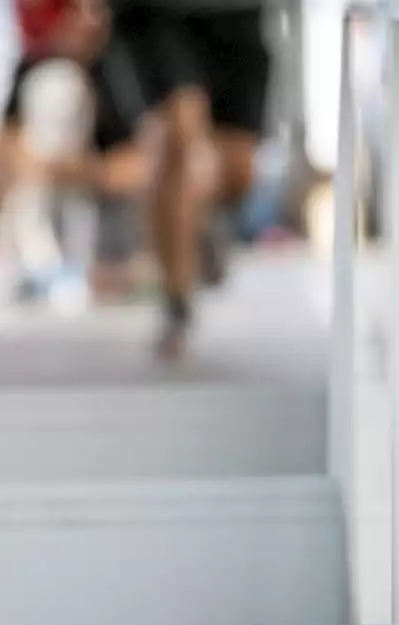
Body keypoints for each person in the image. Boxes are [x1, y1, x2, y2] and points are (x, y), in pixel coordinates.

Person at [112, 1, 273, 360]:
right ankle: (176, 297)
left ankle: (196, 224)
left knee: (238, 172)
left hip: (234, 13)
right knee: (175, 139)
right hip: (153, 14)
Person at [0, 0, 152, 304]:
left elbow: (141, 167)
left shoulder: (120, 65)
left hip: (106, 208)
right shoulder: (34, 66)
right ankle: (44, 264)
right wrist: (18, 165)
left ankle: (119, 263)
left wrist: (69, 170)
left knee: (60, 86)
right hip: (53, 198)